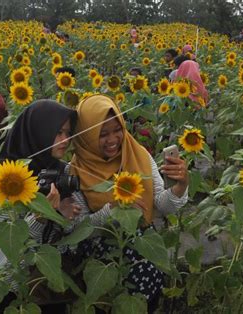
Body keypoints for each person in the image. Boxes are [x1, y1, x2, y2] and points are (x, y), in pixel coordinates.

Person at [70, 95, 189, 311]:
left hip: (143, 258)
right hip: (103, 260)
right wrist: (112, 210)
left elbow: (160, 205)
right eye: (102, 134)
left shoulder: (138, 154)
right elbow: (79, 228)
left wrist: (179, 187)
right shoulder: (74, 172)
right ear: (86, 134)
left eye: (118, 130)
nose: (113, 139)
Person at [0, 100, 81, 313]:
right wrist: (40, 217)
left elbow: (70, 238)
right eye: (58, 132)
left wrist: (67, 218)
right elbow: (11, 246)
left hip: (49, 287)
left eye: (68, 133)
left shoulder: (63, 172)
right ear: (38, 132)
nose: (65, 140)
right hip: (14, 285)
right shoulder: (7, 175)